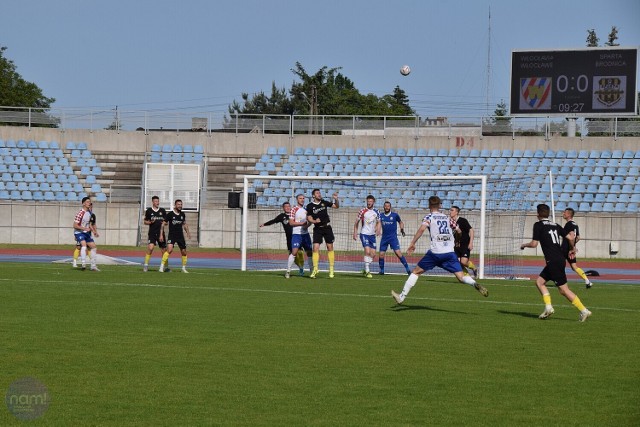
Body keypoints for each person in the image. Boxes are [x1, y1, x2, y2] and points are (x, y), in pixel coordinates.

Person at [391, 196, 488, 304]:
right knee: (461, 277)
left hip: (435, 253)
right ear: (440, 205)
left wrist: (413, 243)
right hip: (450, 253)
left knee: (415, 272)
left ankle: (402, 297)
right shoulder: (447, 218)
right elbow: (459, 231)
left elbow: (422, 229)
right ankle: (474, 283)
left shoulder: (429, 217)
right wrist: (457, 240)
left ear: (429, 205)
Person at [520, 204, 591, 322]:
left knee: (564, 290)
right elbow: (570, 237)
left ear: (538, 214)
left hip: (553, 261)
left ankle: (584, 310)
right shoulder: (556, 225)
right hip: (558, 260)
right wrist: (572, 248)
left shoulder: (538, 225)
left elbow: (534, 244)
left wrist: (524, 245)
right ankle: (548, 307)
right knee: (539, 282)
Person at [260, 201, 304, 274]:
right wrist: (264, 224)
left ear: (290, 207)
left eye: (288, 206)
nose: (287, 208)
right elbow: (273, 221)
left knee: (300, 253)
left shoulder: (295, 214)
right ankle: (300, 267)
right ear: (283, 208)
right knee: (293, 254)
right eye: (286, 207)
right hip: (289, 238)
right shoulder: (281, 216)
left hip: (297, 236)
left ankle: (301, 266)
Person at [306, 188, 339, 279]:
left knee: (330, 247)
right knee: (315, 248)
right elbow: (309, 218)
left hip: (327, 228)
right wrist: (314, 221)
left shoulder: (324, 202)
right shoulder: (309, 206)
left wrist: (336, 199)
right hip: (317, 229)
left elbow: (336, 206)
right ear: (313, 195)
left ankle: (331, 269)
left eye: (319, 193)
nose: (319, 194)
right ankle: (315, 269)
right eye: (317, 193)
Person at [378, 201, 412, 275]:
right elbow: (379, 223)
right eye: (385, 206)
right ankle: (382, 271)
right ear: (384, 207)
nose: (386, 207)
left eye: (388, 206)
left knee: (398, 253)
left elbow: (400, 222)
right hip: (384, 238)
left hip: (393, 238)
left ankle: (408, 269)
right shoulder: (381, 215)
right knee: (381, 254)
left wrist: (402, 229)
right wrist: (377, 230)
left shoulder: (395, 215)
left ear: (390, 207)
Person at [562, 207, 592, 289]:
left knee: (558, 265)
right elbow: (578, 237)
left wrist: (571, 248)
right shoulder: (575, 224)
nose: (563, 213)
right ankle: (587, 281)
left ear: (568, 214)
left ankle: (561, 283)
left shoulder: (568, 224)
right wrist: (574, 246)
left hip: (566, 249)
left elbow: (571, 236)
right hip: (571, 248)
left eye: (564, 212)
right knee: (574, 267)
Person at [285, 194, 314, 278]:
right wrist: (302, 223)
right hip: (297, 234)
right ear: (297, 200)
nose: (302, 200)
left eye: (303, 198)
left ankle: (312, 271)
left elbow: (309, 221)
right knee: (294, 252)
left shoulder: (307, 209)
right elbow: (291, 223)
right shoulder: (294, 209)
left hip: (305, 234)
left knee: (309, 253)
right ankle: (288, 271)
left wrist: (307, 225)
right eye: (300, 198)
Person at [353, 195, 381, 278]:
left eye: (371, 201)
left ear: (373, 202)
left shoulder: (377, 212)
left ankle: (365, 268)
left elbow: (379, 222)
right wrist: (355, 233)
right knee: (367, 251)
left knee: (373, 254)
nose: (369, 203)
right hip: (364, 233)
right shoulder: (362, 211)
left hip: (372, 235)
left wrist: (378, 229)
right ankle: (368, 271)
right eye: (368, 201)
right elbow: (356, 223)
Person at [160, 199, 191, 273]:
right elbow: (163, 224)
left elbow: (184, 224)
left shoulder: (182, 214)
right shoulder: (170, 214)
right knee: (169, 250)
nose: (180, 206)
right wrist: (161, 234)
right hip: (172, 235)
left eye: (181, 204)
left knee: (184, 252)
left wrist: (188, 233)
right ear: (175, 205)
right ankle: (161, 267)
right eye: (178, 204)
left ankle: (183, 268)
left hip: (180, 236)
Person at [449, 205, 478, 278]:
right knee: (458, 263)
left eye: (452, 210)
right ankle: (467, 277)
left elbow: (471, 230)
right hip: (456, 246)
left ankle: (473, 267)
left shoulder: (462, 220)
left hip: (465, 244)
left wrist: (471, 243)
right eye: (450, 210)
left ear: (457, 212)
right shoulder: (449, 222)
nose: (450, 212)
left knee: (463, 262)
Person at [73, 197, 99, 271]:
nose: (89, 203)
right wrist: (84, 228)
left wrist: (94, 231)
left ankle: (93, 266)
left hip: (86, 233)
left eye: (90, 202)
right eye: (87, 202)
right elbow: (75, 225)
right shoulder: (80, 213)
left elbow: (91, 224)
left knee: (94, 247)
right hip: (79, 232)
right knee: (83, 246)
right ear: (83, 203)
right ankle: (83, 264)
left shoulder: (90, 213)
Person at [143, 195, 168, 272]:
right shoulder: (149, 211)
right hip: (152, 233)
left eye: (158, 201)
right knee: (150, 248)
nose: (157, 202)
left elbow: (166, 222)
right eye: (156, 201)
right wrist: (150, 222)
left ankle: (165, 267)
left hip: (161, 233)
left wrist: (164, 223)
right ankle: (146, 265)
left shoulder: (162, 211)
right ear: (153, 202)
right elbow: (145, 221)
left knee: (164, 250)